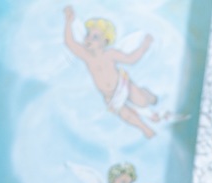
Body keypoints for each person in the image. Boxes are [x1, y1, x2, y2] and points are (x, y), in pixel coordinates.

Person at [63, 6, 160, 138]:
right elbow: (70, 42)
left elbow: (130, 59)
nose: (89, 39)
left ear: (105, 41)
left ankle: (148, 96)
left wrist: (144, 46)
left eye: (95, 37)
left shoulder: (110, 54)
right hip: (109, 96)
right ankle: (145, 128)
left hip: (122, 84)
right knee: (126, 115)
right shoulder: (87, 56)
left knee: (141, 101)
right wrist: (68, 21)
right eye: (88, 35)